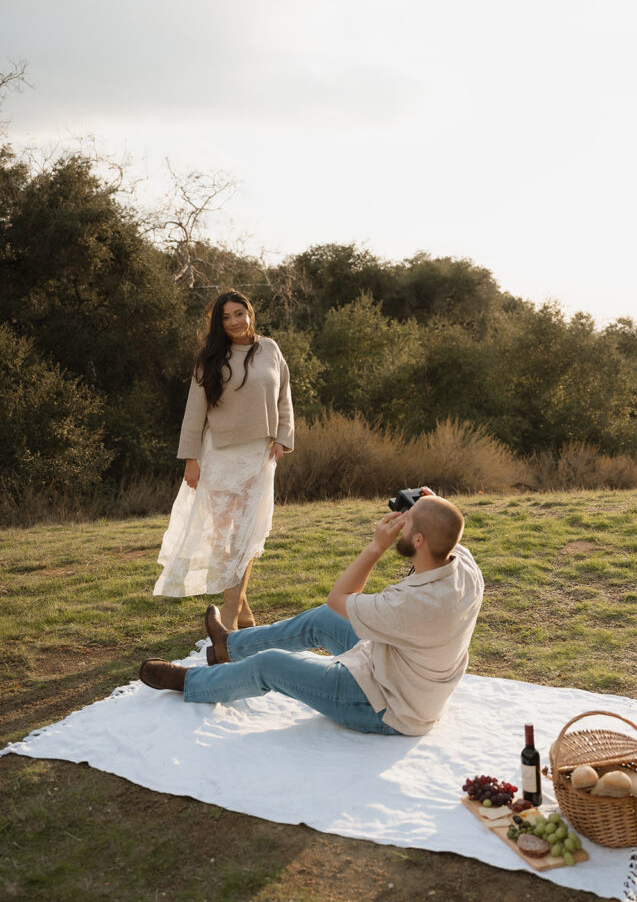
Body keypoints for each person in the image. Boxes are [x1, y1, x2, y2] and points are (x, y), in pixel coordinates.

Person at [141, 490, 484, 737]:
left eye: (407, 523)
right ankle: (227, 648)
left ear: (420, 540)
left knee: (270, 665)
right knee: (321, 620)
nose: (400, 524)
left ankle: (191, 682)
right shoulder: (465, 569)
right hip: (395, 666)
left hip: (387, 705)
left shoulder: (411, 606)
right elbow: (447, 529)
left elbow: (340, 597)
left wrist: (377, 545)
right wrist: (430, 504)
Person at [153, 290, 294, 630]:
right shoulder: (211, 358)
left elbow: (284, 396)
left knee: (247, 532)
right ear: (219, 322)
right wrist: (190, 458)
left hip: (258, 456)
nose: (234, 322)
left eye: (238, 314)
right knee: (222, 537)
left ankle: (230, 613)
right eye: (226, 317)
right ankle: (241, 609)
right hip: (218, 456)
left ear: (250, 313)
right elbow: (194, 412)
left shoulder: (270, 349)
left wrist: (283, 438)